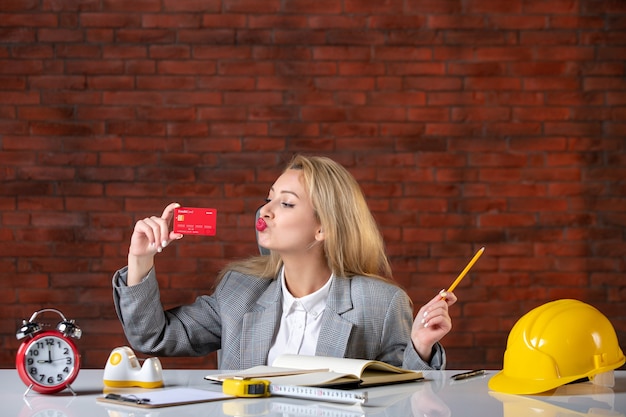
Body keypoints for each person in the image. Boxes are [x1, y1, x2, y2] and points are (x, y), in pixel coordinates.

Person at [112, 155, 457, 370]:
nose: (265, 210)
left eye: (287, 203)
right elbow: (154, 338)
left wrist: (421, 347)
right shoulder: (239, 290)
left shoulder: (381, 303)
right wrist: (140, 260)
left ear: (324, 227)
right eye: (268, 198)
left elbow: (409, 397)